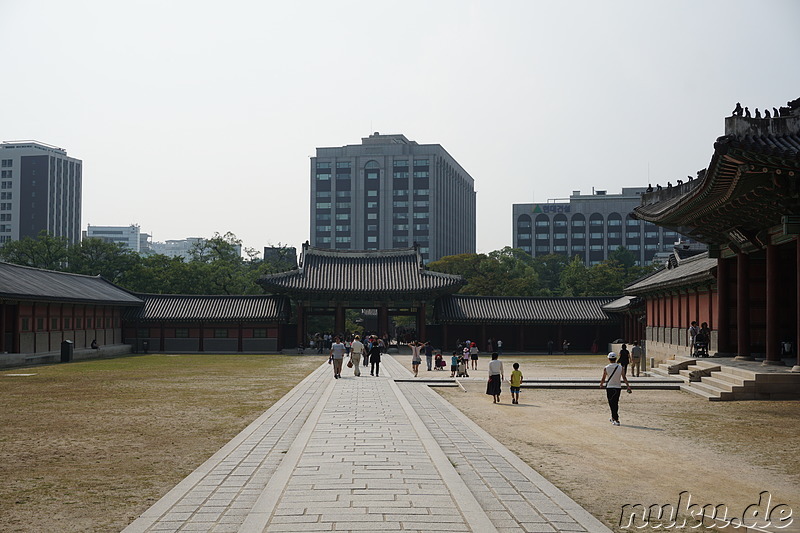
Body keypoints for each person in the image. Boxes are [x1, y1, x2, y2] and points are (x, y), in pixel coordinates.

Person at [600, 351, 631, 426]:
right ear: (616, 359)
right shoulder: (621, 367)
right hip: (618, 387)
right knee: (615, 403)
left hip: (610, 387)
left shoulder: (606, 368)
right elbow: (624, 377)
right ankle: (613, 417)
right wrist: (628, 386)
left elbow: (603, 378)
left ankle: (616, 419)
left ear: (609, 359)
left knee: (611, 403)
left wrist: (601, 384)